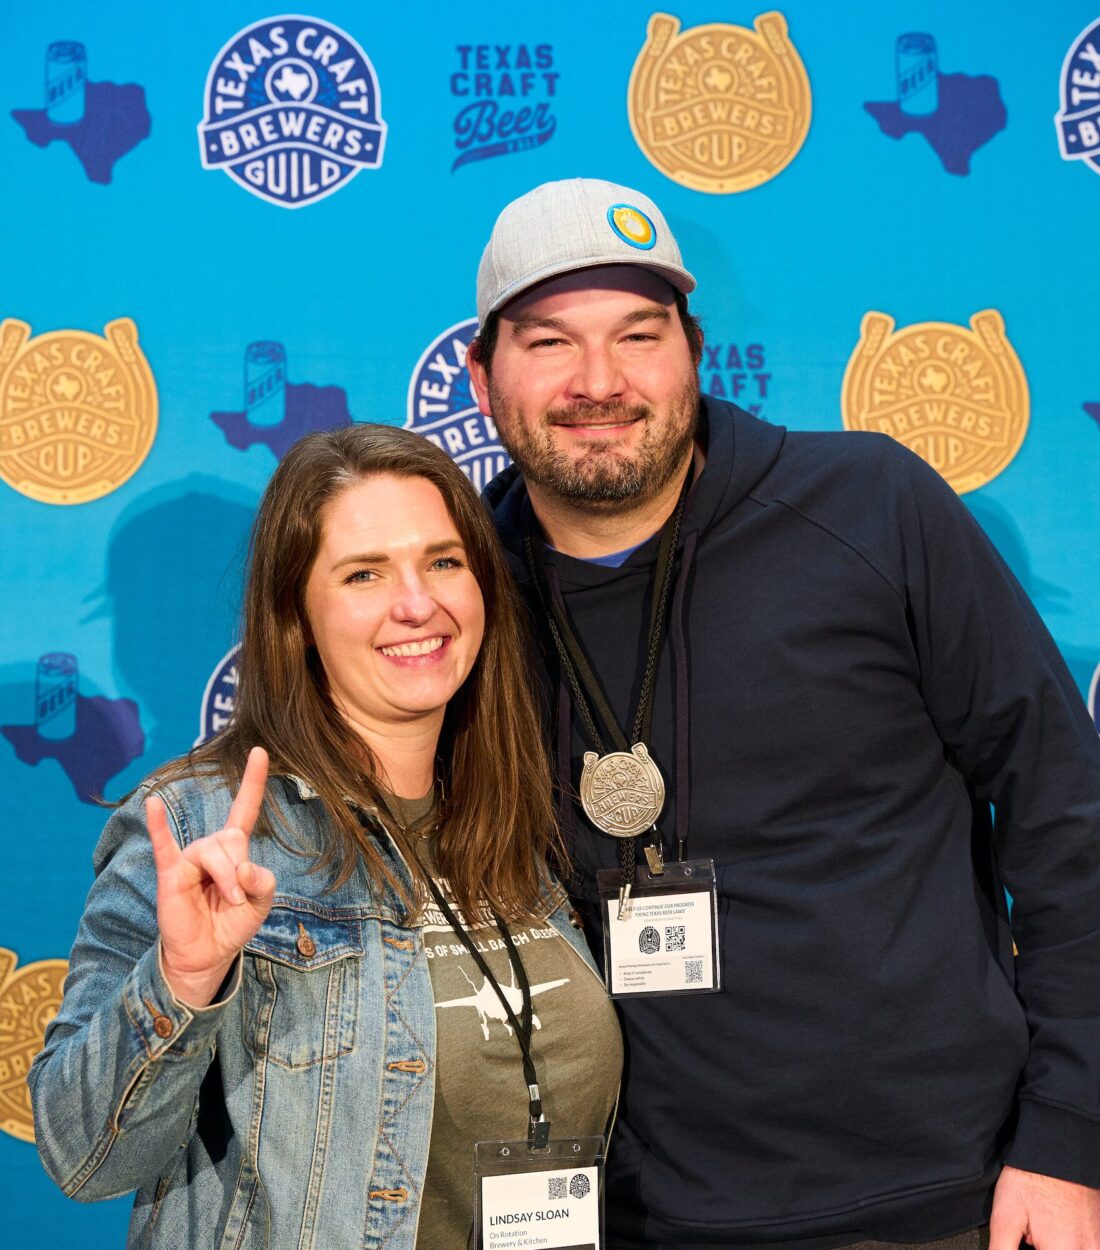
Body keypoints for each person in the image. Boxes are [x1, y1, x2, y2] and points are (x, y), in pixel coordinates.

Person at [466, 178, 1100, 1249]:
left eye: (637, 333)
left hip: (946, 1198)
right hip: (621, 1218)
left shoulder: (867, 506)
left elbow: (1064, 814)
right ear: (481, 379)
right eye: (547, 343)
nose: (599, 381)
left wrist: (1070, 1134)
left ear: (693, 349)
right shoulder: (452, 600)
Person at [29, 424, 621, 1250]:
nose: (418, 603)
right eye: (364, 574)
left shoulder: (515, 815)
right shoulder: (201, 824)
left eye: (444, 561)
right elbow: (80, 1154)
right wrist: (183, 982)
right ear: (296, 615)